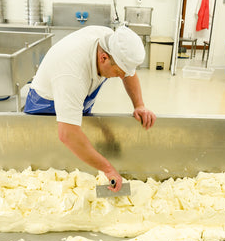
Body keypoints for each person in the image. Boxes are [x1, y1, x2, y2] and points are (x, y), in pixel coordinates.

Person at [24, 25, 156, 191]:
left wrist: (139, 105)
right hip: (45, 102)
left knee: (78, 137)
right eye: (118, 72)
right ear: (103, 58)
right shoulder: (72, 76)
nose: (122, 77)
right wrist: (108, 170)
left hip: (75, 89)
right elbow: (67, 135)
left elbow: (128, 72)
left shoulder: (111, 42)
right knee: (58, 153)